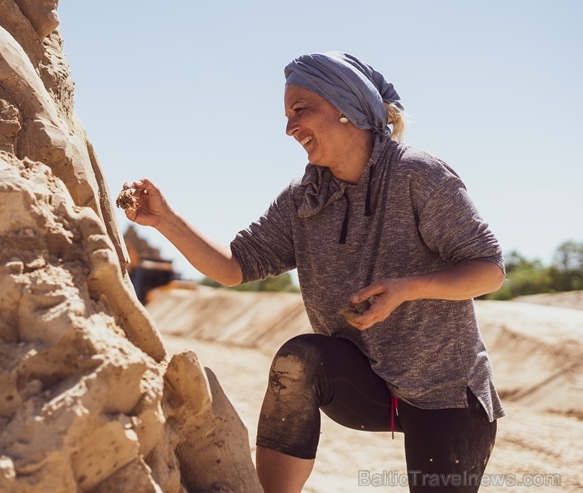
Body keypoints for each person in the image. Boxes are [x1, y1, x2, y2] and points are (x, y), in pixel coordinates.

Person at [120, 51, 505, 493]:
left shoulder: (418, 174)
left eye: (300, 110)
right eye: (287, 115)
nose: (289, 127)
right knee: (300, 360)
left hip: (448, 392)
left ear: (348, 109)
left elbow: (489, 270)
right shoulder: (303, 199)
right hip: (366, 382)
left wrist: (407, 289)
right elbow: (233, 266)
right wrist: (165, 219)